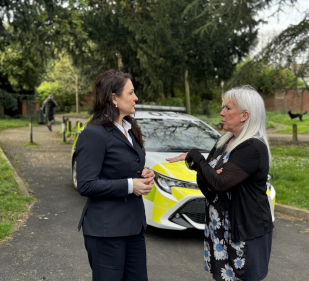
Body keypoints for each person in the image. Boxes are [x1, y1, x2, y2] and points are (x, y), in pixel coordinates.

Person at [167, 86, 273, 281]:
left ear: (244, 115)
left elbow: (219, 183)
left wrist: (197, 158)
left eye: (228, 108)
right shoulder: (224, 143)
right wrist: (208, 172)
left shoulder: (252, 147)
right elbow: (208, 184)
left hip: (244, 231)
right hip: (220, 228)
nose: (221, 112)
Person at [75, 69, 154, 281]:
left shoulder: (130, 128)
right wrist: (130, 185)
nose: (136, 97)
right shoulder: (94, 134)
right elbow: (86, 184)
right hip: (105, 230)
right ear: (114, 98)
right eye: (131, 93)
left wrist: (144, 174)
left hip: (134, 227)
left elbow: (126, 166)